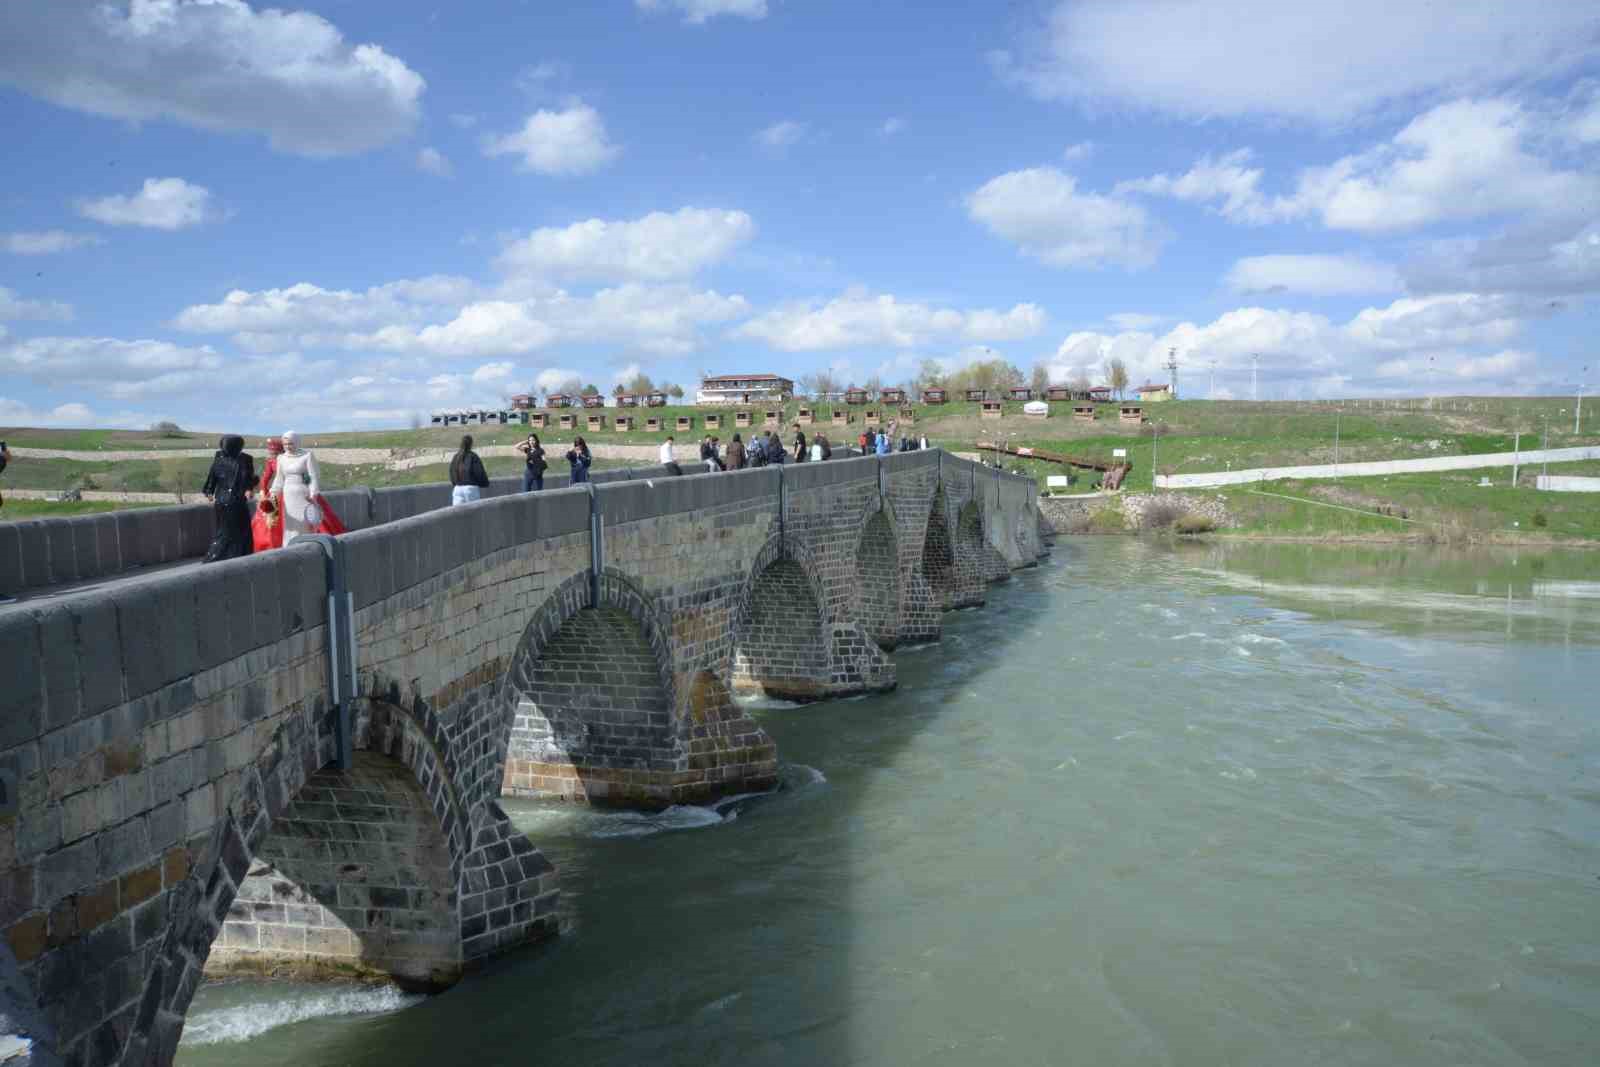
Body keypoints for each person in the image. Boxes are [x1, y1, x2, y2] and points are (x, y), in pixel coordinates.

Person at [270, 431, 345, 544]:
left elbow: (313, 476)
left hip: (304, 495)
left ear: (297, 442)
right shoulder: (281, 458)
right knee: (290, 523)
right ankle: (289, 546)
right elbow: (279, 478)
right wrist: (274, 492)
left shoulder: (307, 455)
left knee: (305, 522)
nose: (288, 447)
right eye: (285, 444)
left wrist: (313, 493)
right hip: (288, 495)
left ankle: (306, 546)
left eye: (290, 443)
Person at [201, 436, 256, 562]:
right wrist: (209, 491)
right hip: (223, 501)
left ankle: (240, 555)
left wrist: (249, 489)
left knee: (242, 530)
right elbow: (212, 476)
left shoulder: (246, 459)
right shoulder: (219, 458)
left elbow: (249, 477)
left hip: (238, 500)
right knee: (225, 531)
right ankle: (217, 556)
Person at [449, 434, 490, 505]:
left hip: (457, 489)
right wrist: (485, 483)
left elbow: (451, 471)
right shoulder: (473, 456)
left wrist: (456, 483)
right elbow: (479, 473)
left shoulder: (456, 457)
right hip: (471, 489)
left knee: (457, 514)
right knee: (474, 514)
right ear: (471, 444)